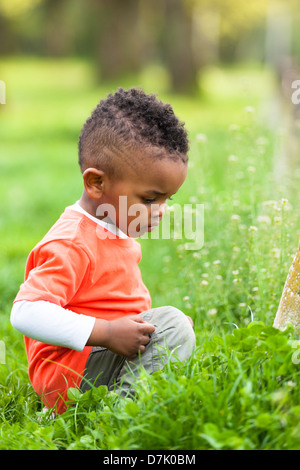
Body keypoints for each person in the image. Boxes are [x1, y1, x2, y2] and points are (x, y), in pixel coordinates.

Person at [11, 87, 196, 414]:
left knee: (174, 328)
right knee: (173, 326)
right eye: (150, 199)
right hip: (70, 378)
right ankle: (123, 416)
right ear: (96, 183)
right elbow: (25, 312)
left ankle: (132, 399)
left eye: (169, 199)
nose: (161, 210)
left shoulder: (114, 227)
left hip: (93, 364)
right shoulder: (73, 240)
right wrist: (107, 332)